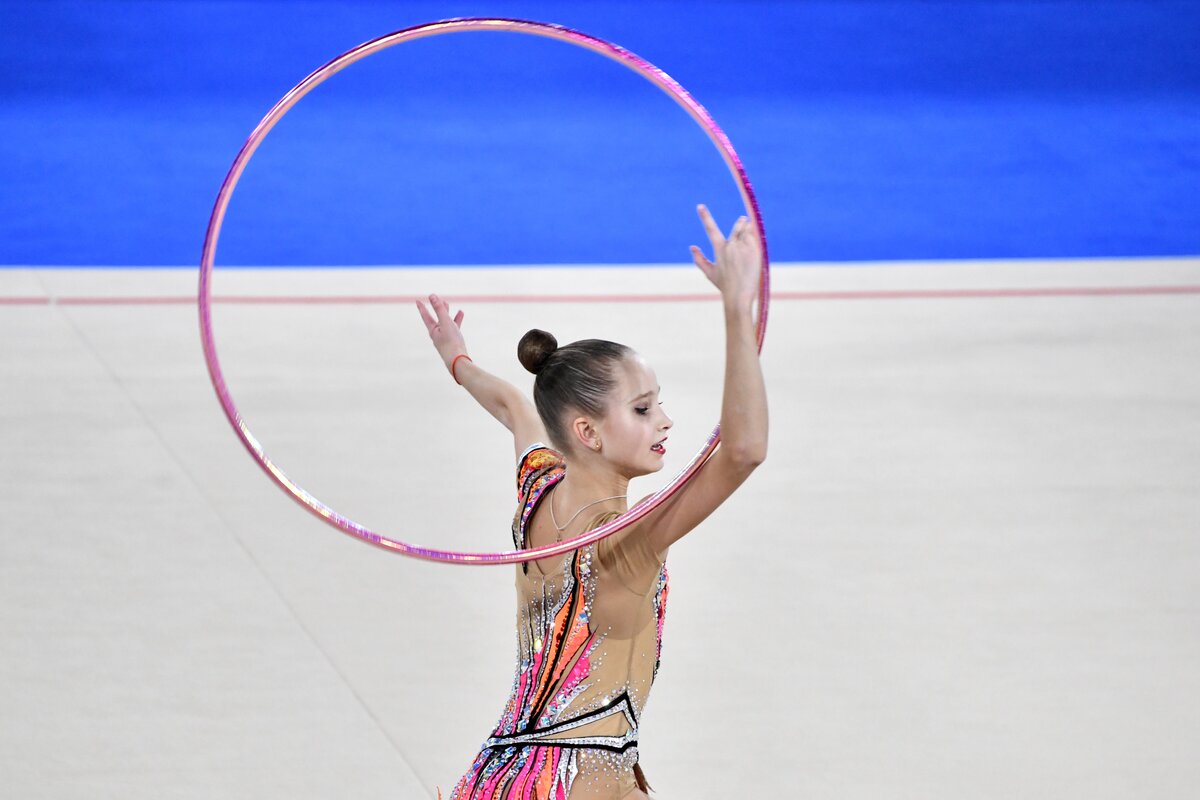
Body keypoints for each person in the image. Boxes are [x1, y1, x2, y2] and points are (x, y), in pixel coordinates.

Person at [416, 205, 767, 799]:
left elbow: (512, 406)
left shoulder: (539, 489)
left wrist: (458, 357)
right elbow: (743, 453)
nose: (665, 421)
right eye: (642, 408)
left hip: (496, 777)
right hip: (585, 781)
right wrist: (737, 308)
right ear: (587, 432)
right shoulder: (624, 538)